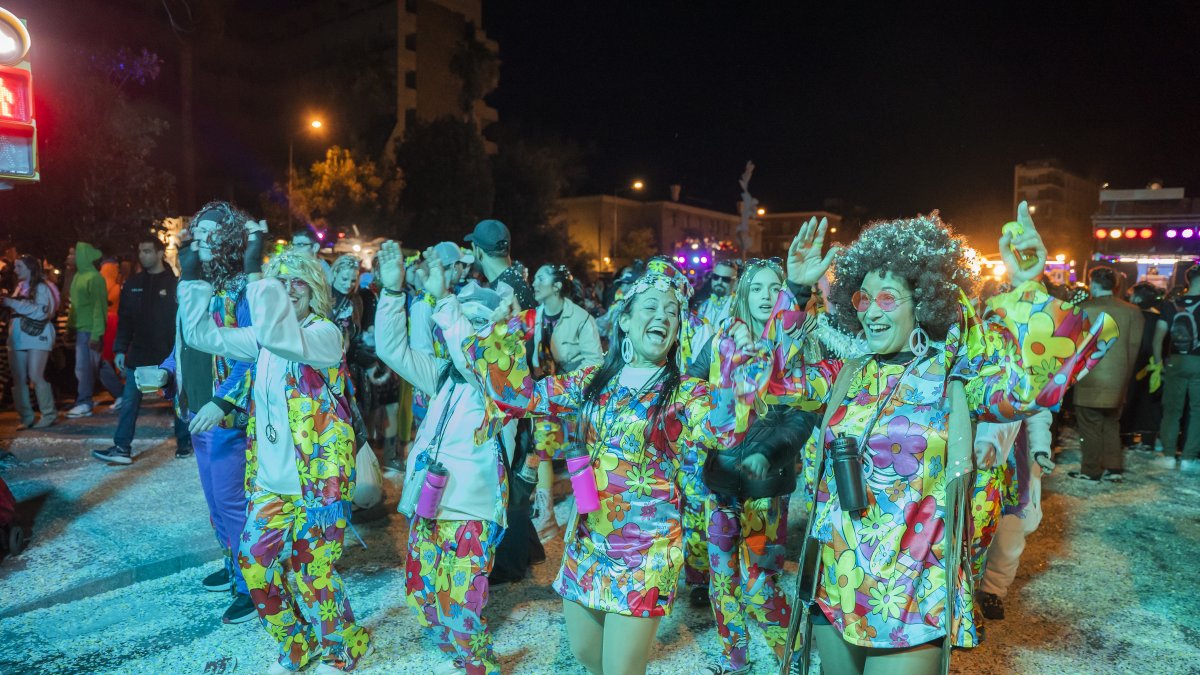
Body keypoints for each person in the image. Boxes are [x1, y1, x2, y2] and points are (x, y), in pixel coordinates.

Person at [745, 207, 1114, 674]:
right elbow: (771, 380)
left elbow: (1026, 387)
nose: (872, 311)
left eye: (888, 297)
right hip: (836, 582)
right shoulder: (845, 373)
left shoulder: (952, 378)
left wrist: (1027, 286)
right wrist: (795, 291)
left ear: (923, 302)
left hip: (912, 593)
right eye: (863, 298)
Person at [466, 257, 761, 675]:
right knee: (589, 658)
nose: (663, 317)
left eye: (672, 312)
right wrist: (505, 330)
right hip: (588, 542)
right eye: (652, 308)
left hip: (646, 551)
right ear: (624, 321)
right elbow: (517, 396)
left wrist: (735, 379)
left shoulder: (684, 393)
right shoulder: (592, 379)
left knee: (620, 670)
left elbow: (725, 430)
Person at [180, 249, 371, 674]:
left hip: (318, 485)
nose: (288, 290)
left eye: (297, 281)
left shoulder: (324, 334)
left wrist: (259, 279)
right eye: (279, 282)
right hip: (272, 483)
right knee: (253, 562)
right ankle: (299, 644)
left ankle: (346, 647)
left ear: (315, 289)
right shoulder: (264, 337)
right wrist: (193, 285)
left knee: (312, 572)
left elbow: (287, 339)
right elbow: (201, 338)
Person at [376, 242, 511, 675]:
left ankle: (477, 664)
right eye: (463, 317)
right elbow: (391, 350)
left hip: (469, 507)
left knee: (461, 604)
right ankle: (458, 653)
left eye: (477, 320)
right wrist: (393, 292)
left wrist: (445, 299)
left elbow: (473, 357)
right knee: (420, 591)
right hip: (428, 499)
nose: (465, 326)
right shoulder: (443, 375)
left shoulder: (501, 376)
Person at [686, 257, 818, 674]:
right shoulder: (719, 340)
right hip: (720, 481)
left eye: (772, 288)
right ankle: (734, 662)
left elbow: (804, 415)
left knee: (760, 583)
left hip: (765, 490)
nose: (764, 295)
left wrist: (769, 451)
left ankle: (791, 657)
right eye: (756, 288)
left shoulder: (793, 345)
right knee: (723, 583)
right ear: (743, 294)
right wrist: (701, 429)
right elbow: (691, 390)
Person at [158, 201, 262, 624]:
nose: (202, 239)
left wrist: (223, 403)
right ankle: (232, 563)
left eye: (211, 233)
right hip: (194, 412)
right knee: (215, 502)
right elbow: (184, 342)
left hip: (226, 416)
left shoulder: (245, 289)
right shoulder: (193, 284)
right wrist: (166, 373)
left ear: (230, 240)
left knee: (233, 503)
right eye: (198, 231)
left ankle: (252, 585)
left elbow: (255, 351)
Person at [464, 218, 546, 583]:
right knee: (517, 475)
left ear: (479, 251)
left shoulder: (504, 291)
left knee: (510, 480)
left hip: (511, 396)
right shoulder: (519, 282)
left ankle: (511, 564)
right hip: (522, 392)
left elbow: (503, 351)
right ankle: (529, 547)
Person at [92, 238, 191, 464]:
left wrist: (181, 353)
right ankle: (122, 448)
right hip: (138, 354)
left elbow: (180, 322)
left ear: (159, 253)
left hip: (168, 355)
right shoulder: (132, 284)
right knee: (129, 403)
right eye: (140, 251)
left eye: (147, 251)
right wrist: (120, 349)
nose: (142, 255)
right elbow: (125, 320)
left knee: (179, 399)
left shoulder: (174, 283)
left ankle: (184, 443)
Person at [527, 263, 604, 541]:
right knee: (542, 452)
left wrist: (569, 383)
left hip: (575, 399)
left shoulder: (581, 318)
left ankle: (587, 521)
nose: (534, 283)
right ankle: (546, 517)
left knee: (578, 456)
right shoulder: (533, 317)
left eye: (540, 278)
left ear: (557, 286)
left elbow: (595, 362)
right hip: (546, 397)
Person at [976, 409, 1052, 621]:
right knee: (966, 532)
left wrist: (1040, 449)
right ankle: (958, 589)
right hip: (976, 463)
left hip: (1014, 473)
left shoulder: (1027, 380)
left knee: (1009, 538)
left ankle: (993, 590)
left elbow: (1039, 415)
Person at [1069, 268, 1143, 482]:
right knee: (1112, 422)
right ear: (1115, 285)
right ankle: (1114, 467)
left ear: (1092, 284)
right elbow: (1134, 347)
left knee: (1089, 424)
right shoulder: (1132, 311)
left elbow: (1073, 347)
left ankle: (1091, 469)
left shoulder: (1083, 309)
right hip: (1119, 377)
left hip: (1089, 376)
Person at [3, 255, 59, 428]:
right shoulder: (19, 288)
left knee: (35, 375)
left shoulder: (42, 287)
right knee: (19, 378)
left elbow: (41, 312)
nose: (15, 270)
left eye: (19, 266)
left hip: (37, 334)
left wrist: (11, 303)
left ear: (30, 268)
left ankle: (48, 414)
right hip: (18, 335)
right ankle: (26, 417)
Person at [1159, 264, 1200, 464]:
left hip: (1176, 361)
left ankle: (1167, 455)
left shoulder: (1172, 303)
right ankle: (1189, 458)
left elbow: (1159, 336)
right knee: (1198, 411)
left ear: (1188, 281)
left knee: (1172, 410)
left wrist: (1158, 362)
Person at [64, 242, 109, 418]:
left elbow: (100, 307)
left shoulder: (94, 278)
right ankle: (121, 394)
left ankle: (85, 402)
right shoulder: (77, 277)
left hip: (90, 330)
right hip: (82, 329)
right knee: (97, 366)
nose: (69, 257)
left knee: (83, 368)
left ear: (81, 256)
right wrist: (70, 327)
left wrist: (97, 333)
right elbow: (75, 306)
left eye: (72, 254)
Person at [1122, 282, 1167, 452]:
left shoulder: (1130, 316)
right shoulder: (1158, 318)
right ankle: (1148, 439)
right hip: (1152, 366)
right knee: (1151, 402)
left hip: (1132, 364)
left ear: (1138, 297)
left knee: (1129, 400)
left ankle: (1126, 437)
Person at [695, 261, 739, 326]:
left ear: (735, 282)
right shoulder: (703, 305)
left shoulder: (739, 308)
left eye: (725, 279)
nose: (719, 282)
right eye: (716, 277)